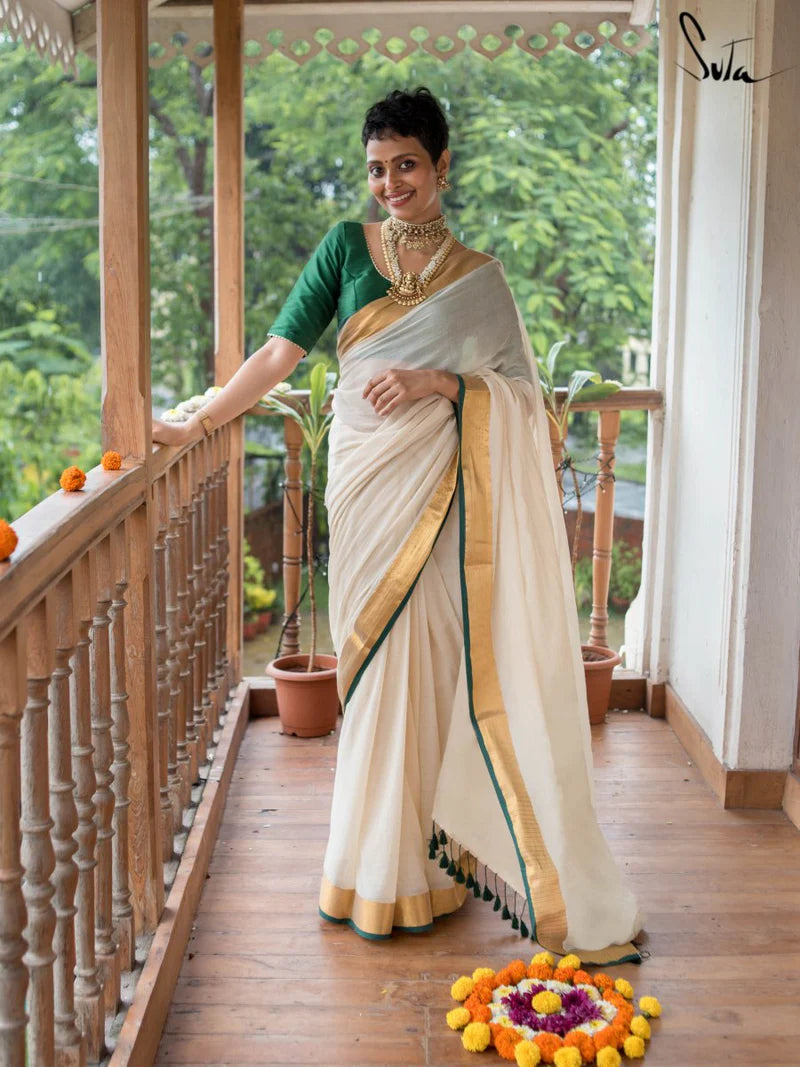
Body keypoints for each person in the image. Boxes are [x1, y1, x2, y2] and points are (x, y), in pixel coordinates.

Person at [153, 87, 645, 964]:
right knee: (373, 671)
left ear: (442, 165)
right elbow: (279, 354)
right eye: (377, 169)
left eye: (407, 165)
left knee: (434, 663)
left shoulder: (480, 278)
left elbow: (528, 404)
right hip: (368, 485)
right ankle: (367, 861)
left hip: (442, 492)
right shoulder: (345, 247)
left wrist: (439, 385)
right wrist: (201, 421)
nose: (390, 184)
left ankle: (428, 859)